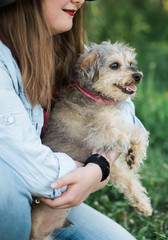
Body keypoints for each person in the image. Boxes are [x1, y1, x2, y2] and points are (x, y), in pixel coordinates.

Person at [0, 0, 138, 239]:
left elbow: (126, 112)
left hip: (47, 202)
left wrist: (98, 167)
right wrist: (91, 172)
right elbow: (36, 173)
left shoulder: (66, 46)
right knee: (6, 191)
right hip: (14, 196)